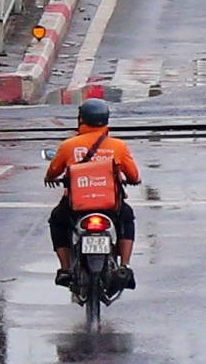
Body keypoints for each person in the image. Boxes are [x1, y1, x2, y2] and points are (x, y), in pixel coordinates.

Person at [46, 97, 141, 285]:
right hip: (110, 205)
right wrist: (131, 181)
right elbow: (134, 176)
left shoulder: (69, 145)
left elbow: (53, 171)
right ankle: (125, 266)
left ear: (81, 119)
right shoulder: (118, 146)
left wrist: (50, 178)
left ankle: (65, 268)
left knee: (57, 221)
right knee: (127, 219)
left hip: (76, 205)